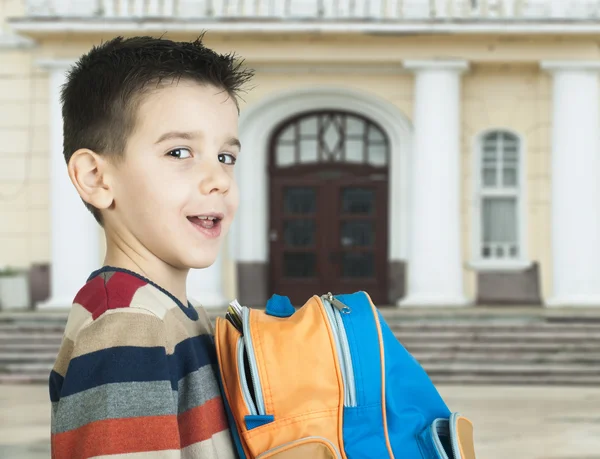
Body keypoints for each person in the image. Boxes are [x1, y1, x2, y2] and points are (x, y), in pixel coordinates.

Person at [49, 34, 254, 458]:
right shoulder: (126, 324)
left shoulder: (175, 311)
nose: (218, 178)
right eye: (180, 152)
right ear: (96, 178)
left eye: (226, 156)